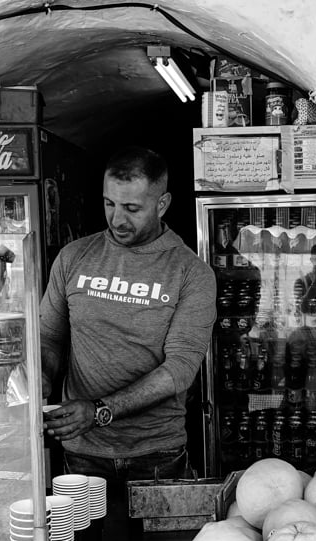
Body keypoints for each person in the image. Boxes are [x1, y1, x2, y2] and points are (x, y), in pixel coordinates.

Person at [39, 146, 216, 485]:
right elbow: (49, 337)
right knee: (84, 540)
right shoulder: (73, 257)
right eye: (110, 204)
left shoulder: (191, 272)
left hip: (156, 454)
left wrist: (100, 410)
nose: (117, 219)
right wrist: (41, 378)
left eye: (132, 208)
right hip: (82, 452)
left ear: (162, 204)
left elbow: (179, 370)